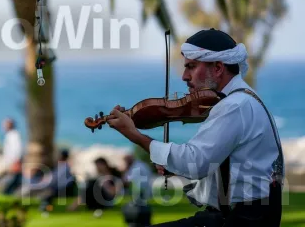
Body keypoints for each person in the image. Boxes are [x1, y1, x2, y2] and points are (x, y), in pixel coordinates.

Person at [106, 28, 284, 227]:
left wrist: (134, 135)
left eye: (191, 66)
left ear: (217, 68)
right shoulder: (242, 99)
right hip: (242, 215)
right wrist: (174, 167)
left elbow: (196, 161)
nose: (184, 76)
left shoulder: (235, 106)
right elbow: (222, 163)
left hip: (242, 219)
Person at [0, 117, 23, 195]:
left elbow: (17, 149)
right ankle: (7, 193)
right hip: (12, 161)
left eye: (5, 124)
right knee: (14, 179)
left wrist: (16, 161)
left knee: (14, 179)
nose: (3, 126)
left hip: (14, 161)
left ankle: (7, 193)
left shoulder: (14, 135)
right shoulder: (10, 135)